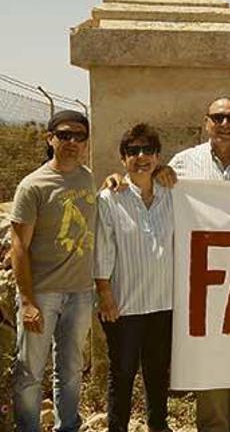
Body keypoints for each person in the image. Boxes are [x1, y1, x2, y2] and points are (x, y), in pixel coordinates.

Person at [167, 96, 230, 432]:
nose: (224, 124)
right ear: (206, 122)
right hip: (201, 275)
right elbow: (153, 199)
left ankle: (229, 420)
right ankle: (213, 426)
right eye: (217, 117)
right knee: (209, 352)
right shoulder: (182, 164)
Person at [10, 110, 96, 432]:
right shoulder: (33, 186)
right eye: (64, 135)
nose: (72, 141)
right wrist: (28, 301)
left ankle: (68, 427)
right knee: (30, 372)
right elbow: (19, 246)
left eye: (79, 136)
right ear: (50, 139)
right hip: (42, 294)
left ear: (87, 143)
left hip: (81, 293)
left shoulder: (89, 178)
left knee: (71, 370)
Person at [94, 124, 174, 432]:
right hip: (124, 304)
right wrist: (105, 294)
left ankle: (158, 425)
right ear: (123, 158)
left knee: (157, 372)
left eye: (147, 150)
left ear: (157, 156)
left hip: (163, 301)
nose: (141, 157)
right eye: (132, 151)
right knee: (123, 372)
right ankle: (118, 428)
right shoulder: (110, 198)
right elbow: (103, 248)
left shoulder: (172, 194)